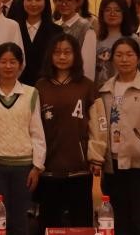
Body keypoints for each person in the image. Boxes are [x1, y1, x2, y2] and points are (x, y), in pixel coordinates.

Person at [88, 37, 140, 235]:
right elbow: (98, 125)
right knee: (116, 219)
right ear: (112, 59)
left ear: (138, 58)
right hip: (112, 165)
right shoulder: (104, 89)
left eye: (129, 55)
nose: (124, 59)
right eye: (119, 55)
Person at [0, 43, 46, 235]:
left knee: (20, 221)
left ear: (21, 65)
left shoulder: (31, 93)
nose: (8, 66)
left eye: (13, 62)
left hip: (24, 167)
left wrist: (37, 167)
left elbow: (37, 132)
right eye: (3, 62)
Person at [36, 33, 95, 229]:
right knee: (49, 224)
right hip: (48, 167)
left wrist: (95, 156)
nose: (62, 57)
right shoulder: (41, 86)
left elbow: (97, 125)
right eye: (57, 52)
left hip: (79, 167)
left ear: (76, 55)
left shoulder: (87, 85)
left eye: (67, 52)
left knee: (81, 224)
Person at [15, 0, 62, 86]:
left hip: (48, 85)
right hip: (18, 85)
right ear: (22, 2)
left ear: (45, 2)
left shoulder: (56, 31)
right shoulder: (14, 28)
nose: (33, 4)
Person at [52, 0, 97, 80]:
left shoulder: (86, 28)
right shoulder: (53, 26)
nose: (64, 4)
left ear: (77, 2)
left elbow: (88, 66)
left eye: (69, 0)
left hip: (77, 82)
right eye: (60, 0)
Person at [96, 0, 133, 86]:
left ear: (124, 14)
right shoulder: (94, 38)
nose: (112, 14)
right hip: (98, 89)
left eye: (117, 10)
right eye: (108, 10)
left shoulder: (133, 39)